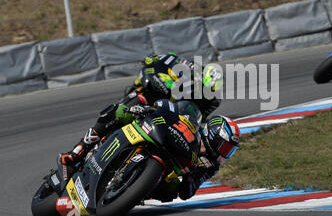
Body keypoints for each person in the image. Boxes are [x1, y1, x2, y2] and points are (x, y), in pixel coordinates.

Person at [60, 52, 223, 166]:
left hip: (164, 116)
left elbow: (197, 118)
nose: (203, 97)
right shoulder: (183, 65)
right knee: (120, 111)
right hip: (147, 95)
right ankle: (79, 149)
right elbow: (150, 61)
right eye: (203, 91)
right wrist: (162, 80)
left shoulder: (209, 103)